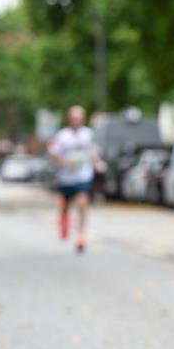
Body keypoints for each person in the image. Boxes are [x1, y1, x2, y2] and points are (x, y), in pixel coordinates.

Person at [48, 105, 103, 253]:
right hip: (66, 177)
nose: (76, 121)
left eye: (78, 118)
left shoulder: (88, 134)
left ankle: (81, 234)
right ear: (69, 119)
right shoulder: (62, 135)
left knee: (82, 202)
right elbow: (53, 154)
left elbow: (93, 152)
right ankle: (64, 221)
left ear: (83, 119)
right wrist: (64, 162)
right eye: (73, 118)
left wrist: (98, 164)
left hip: (82, 175)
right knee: (65, 206)